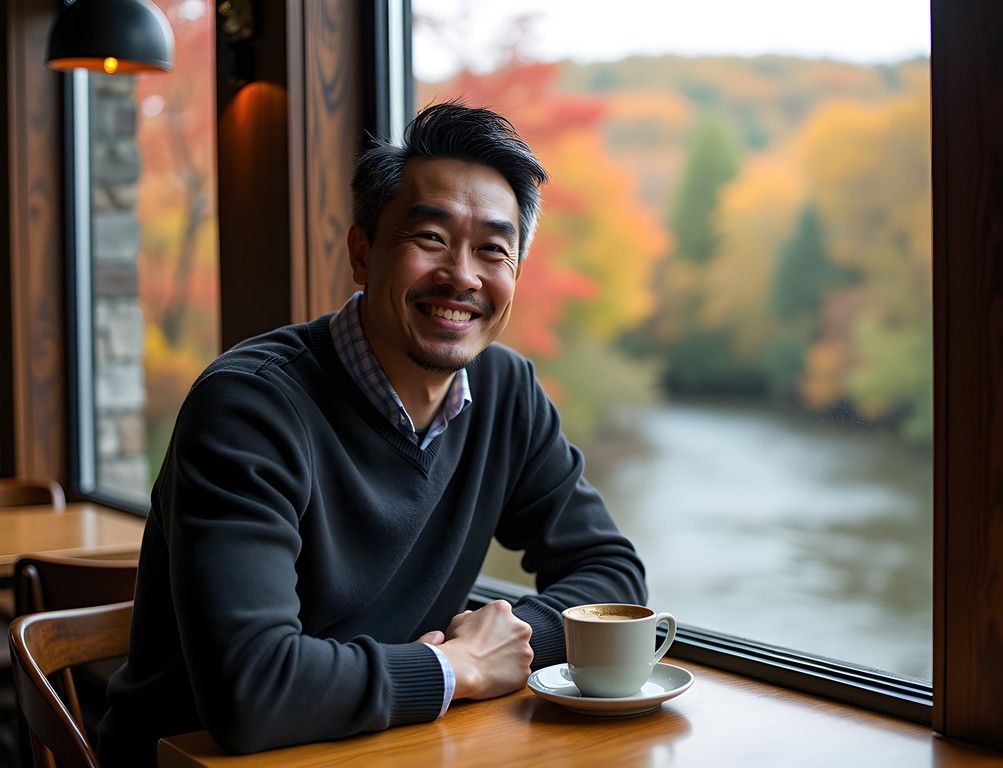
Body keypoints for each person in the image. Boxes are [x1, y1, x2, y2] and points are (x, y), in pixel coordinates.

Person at [96, 101, 647, 766]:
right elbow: (252, 692)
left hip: (385, 745)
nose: (462, 276)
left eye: (493, 250)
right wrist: (455, 669)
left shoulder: (507, 394)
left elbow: (613, 580)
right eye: (431, 239)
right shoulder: (249, 408)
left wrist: (505, 639)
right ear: (362, 254)